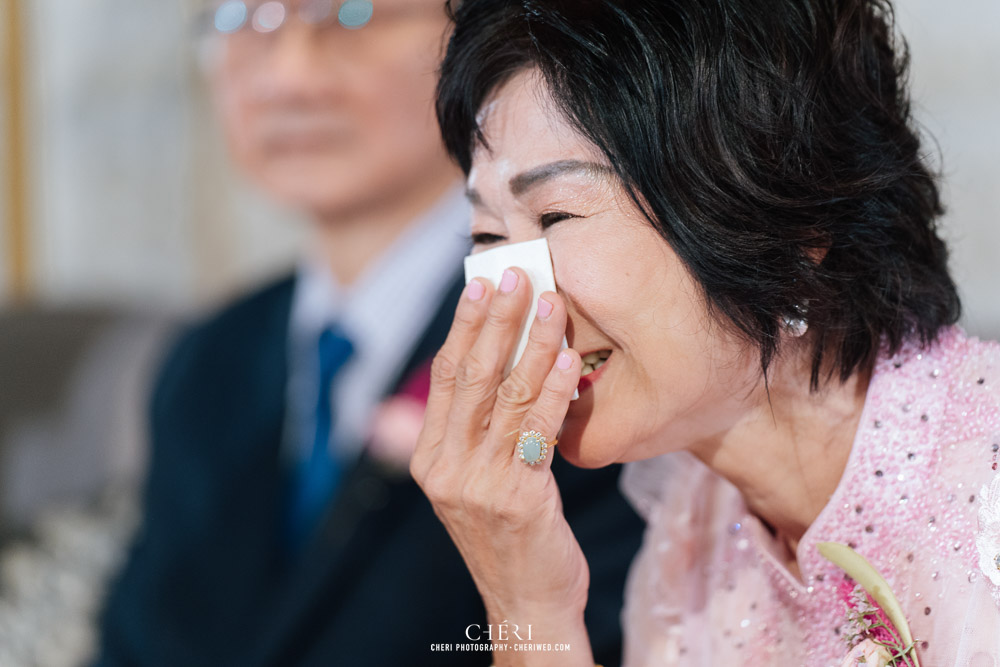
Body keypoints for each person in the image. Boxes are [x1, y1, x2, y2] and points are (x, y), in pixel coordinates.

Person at [413, 0, 1000, 664]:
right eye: (486, 234)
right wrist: (529, 609)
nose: (514, 295)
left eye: (554, 216)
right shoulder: (687, 548)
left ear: (786, 218)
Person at [95, 1, 644, 665]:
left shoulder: (565, 331)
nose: (289, 76)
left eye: (350, 14)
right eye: (244, 18)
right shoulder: (208, 357)